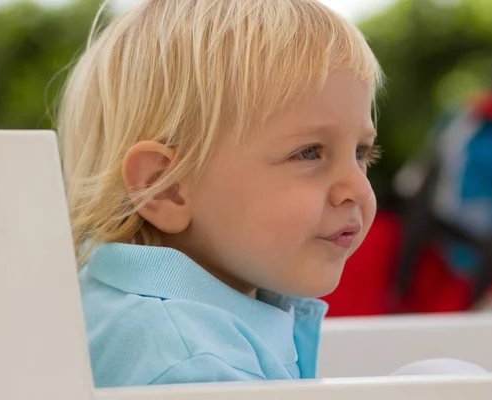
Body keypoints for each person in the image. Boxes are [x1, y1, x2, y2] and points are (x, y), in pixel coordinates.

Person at [58, 0, 382, 388]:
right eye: (308, 153)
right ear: (166, 187)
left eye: (361, 153)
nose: (359, 189)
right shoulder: (193, 365)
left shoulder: (123, 307)